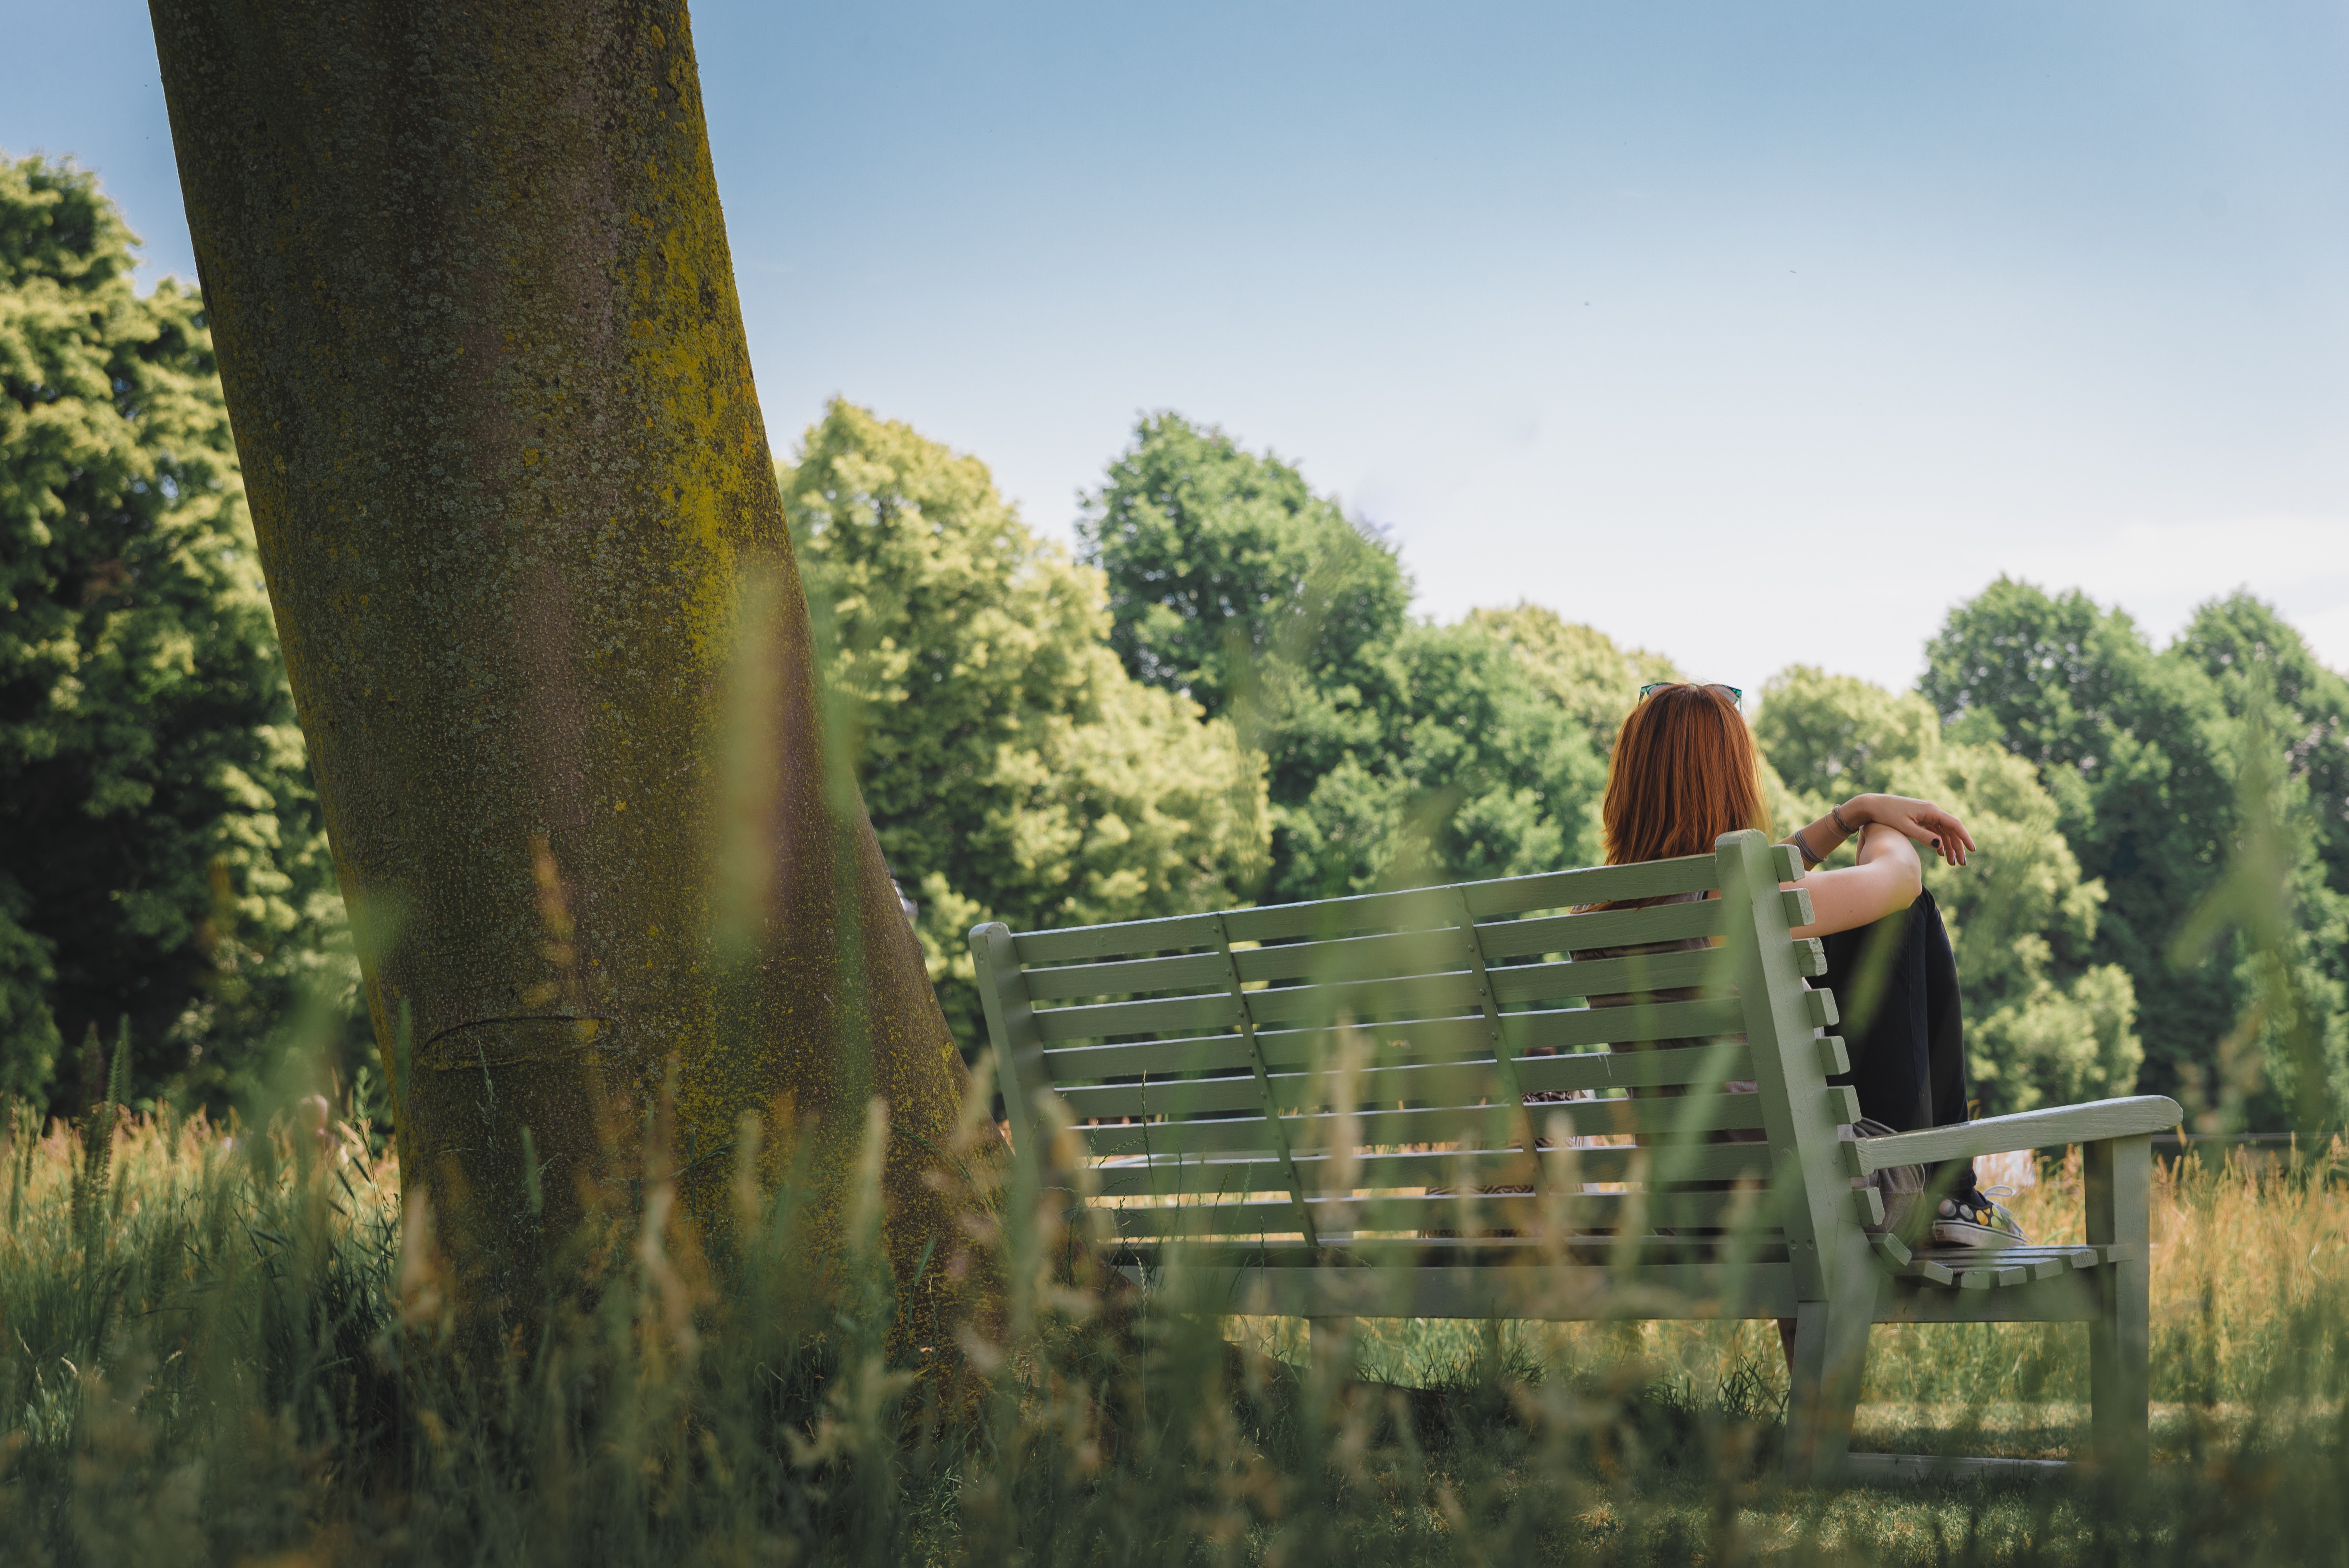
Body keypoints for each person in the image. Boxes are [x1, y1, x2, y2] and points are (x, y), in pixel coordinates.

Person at [1576, 680, 2025, 1250]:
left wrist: (1845, 816)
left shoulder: (1595, 918)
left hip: (1689, 1209)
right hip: (1820, 1199)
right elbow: (1901, 881)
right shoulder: (1742, 904)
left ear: (1628, 783)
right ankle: (1953, 1192)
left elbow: (1755, 885)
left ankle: (1951, 1197)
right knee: (1903, 916)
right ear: (1732, 779)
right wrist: (1878, 825)